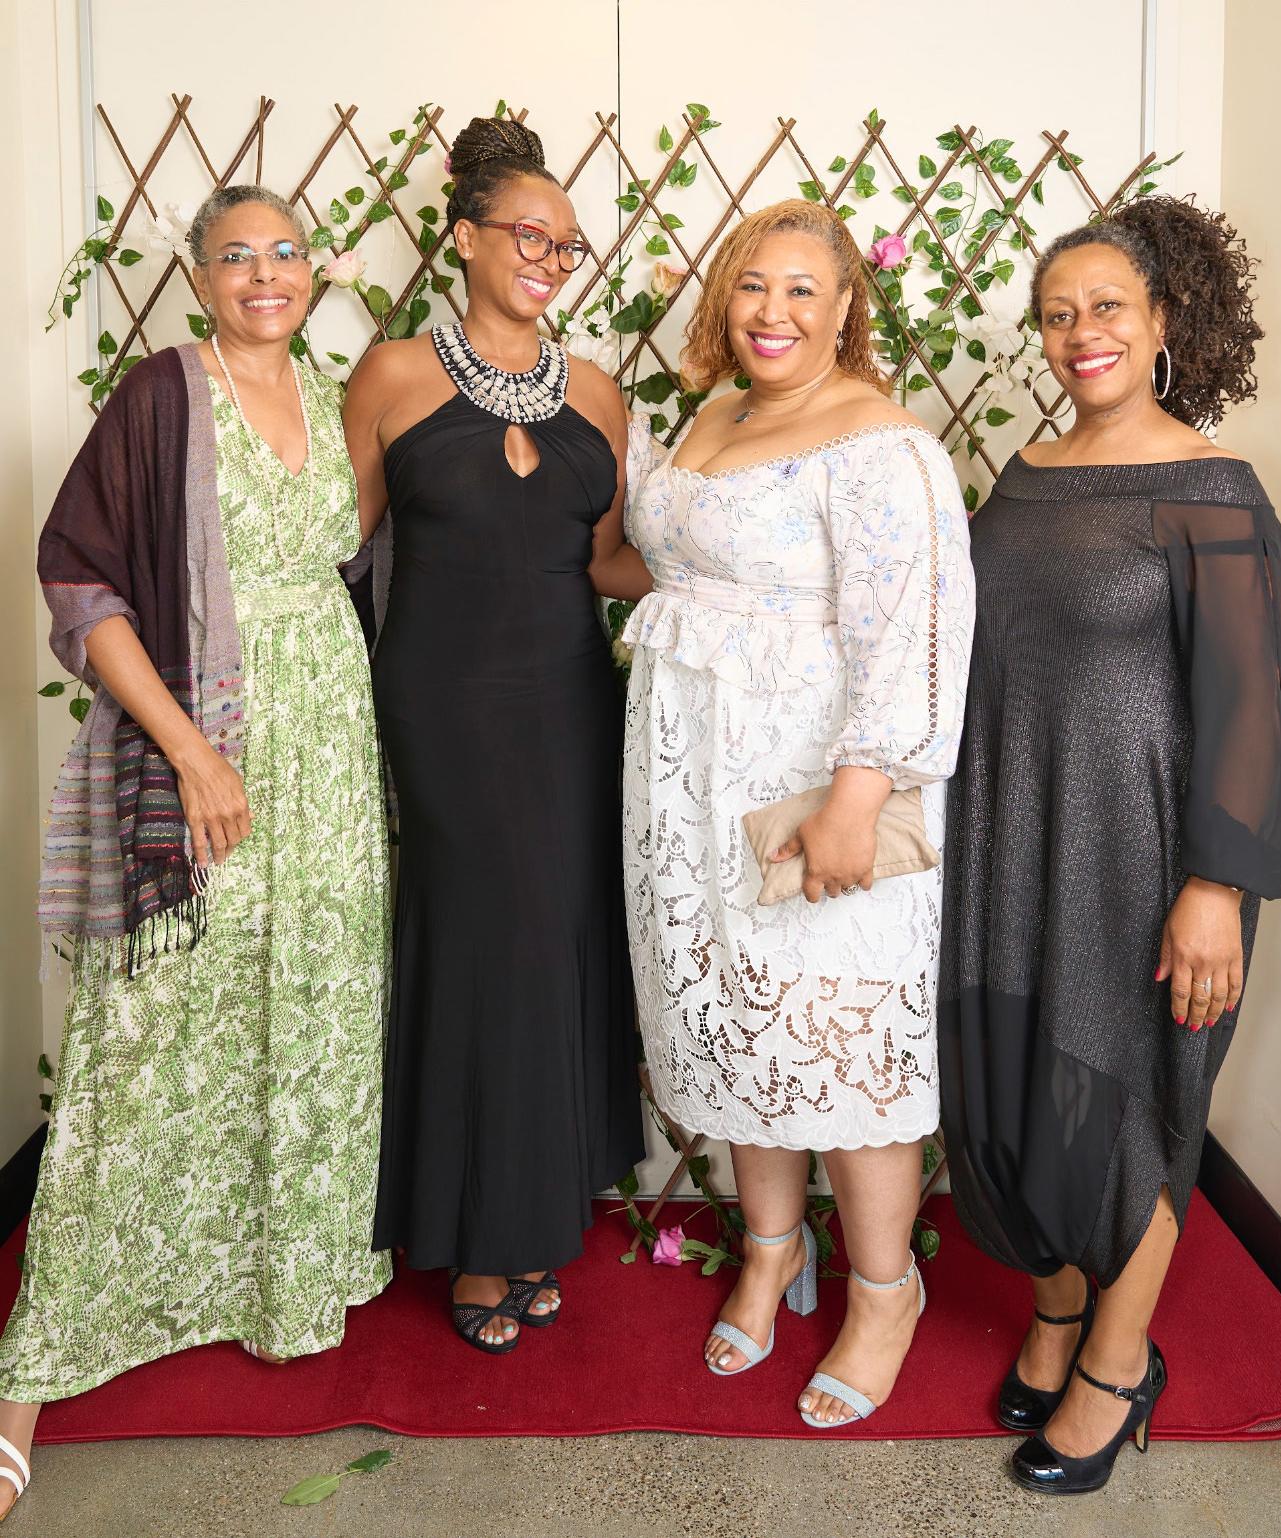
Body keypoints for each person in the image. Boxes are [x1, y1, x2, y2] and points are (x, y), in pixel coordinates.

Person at [0, 185, 391, 1519]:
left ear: (314, 270)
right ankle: (42, 1362)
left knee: (311, 1011)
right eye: (238, 255)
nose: (266, 273)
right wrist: (190, 749)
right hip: (211, 749)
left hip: (336, 756)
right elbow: (81, 582)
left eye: (287, 252)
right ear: (197, 273)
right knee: (150, 1033)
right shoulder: (164, 395)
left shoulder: (347, 394)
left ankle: (278, 1275)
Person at [938, 194, 1280, 1494]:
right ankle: (1059, 1306)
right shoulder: (1025, 476)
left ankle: (1119, 1361)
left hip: (1145, 857)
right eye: (1057, 313)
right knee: (1024, 1086)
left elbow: (1254, 709)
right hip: (1013, 830)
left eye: (1107, 310)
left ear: (1164, 324)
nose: (1079, 334)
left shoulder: (1211, 488)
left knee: (1127, 1103)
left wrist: (1212, 886)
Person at [622, 200, 974, 1427]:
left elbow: (914, 631)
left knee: (836, 1038)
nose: (773, 312)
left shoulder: (879, 443)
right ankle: (772, 1246)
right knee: (734, 1020)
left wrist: (857, 797)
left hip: (807, 786)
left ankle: (886, 1288)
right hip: (689, 786)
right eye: (752, 288)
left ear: (843, 313)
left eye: (802, 292)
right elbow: (659, 563)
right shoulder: (713, 416)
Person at [342, 116, 648, 1355]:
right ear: (463, 238)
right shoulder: (393, 376)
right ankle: (476, 1236)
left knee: (559, 937)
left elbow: (608, 559)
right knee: (479, 938)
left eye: (568, 246)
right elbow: (342, 554)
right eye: (528, 234)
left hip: (573, 699)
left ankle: (533, 1211)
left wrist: (735, 591)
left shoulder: (599, 393)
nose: (549, 257)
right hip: (445, 706)